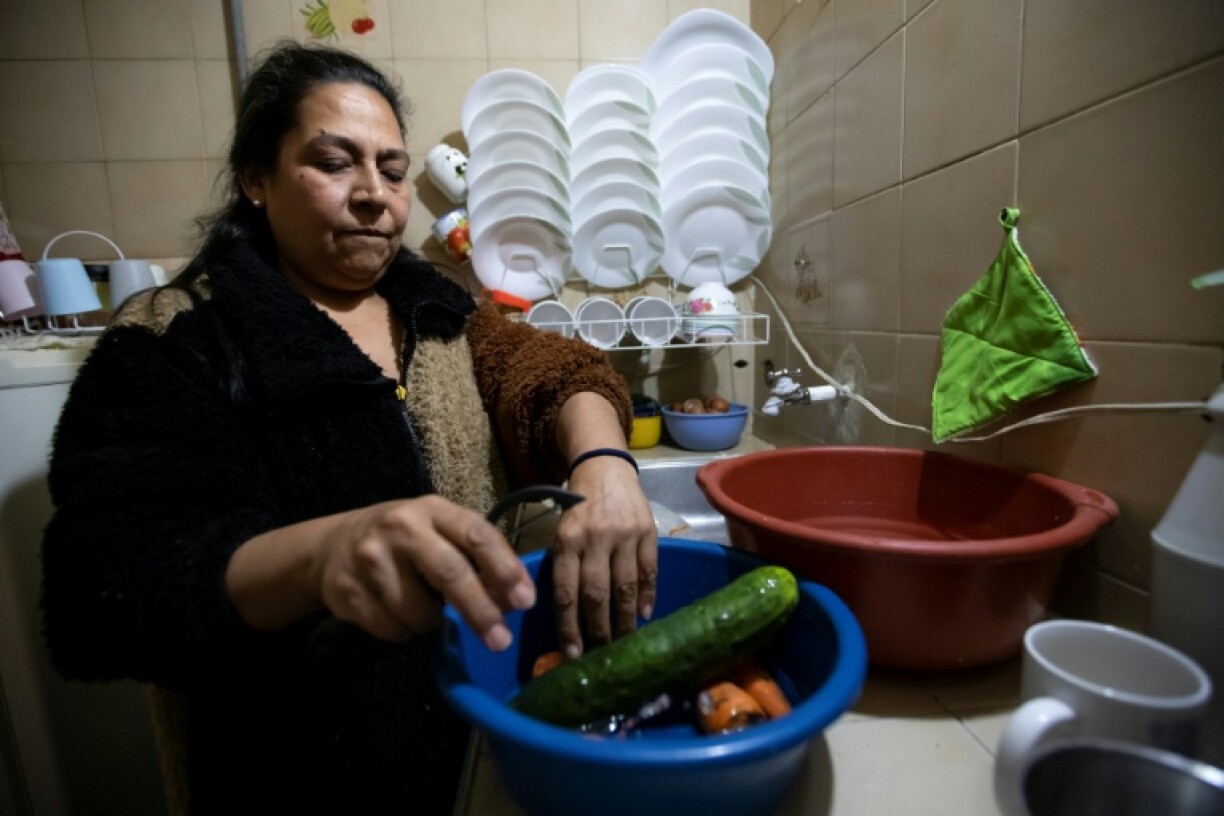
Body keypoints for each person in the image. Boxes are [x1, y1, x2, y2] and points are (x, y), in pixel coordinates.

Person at [40, 41, 656, 814]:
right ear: (256, 179)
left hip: (476, 751)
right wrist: (323, 552)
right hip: (293, 779)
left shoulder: (434, 308)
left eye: (393, 172)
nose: (376, 195)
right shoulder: (177, 339)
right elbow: (98, 584)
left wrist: (603, 461)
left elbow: (551, 371)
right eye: (335, 164)